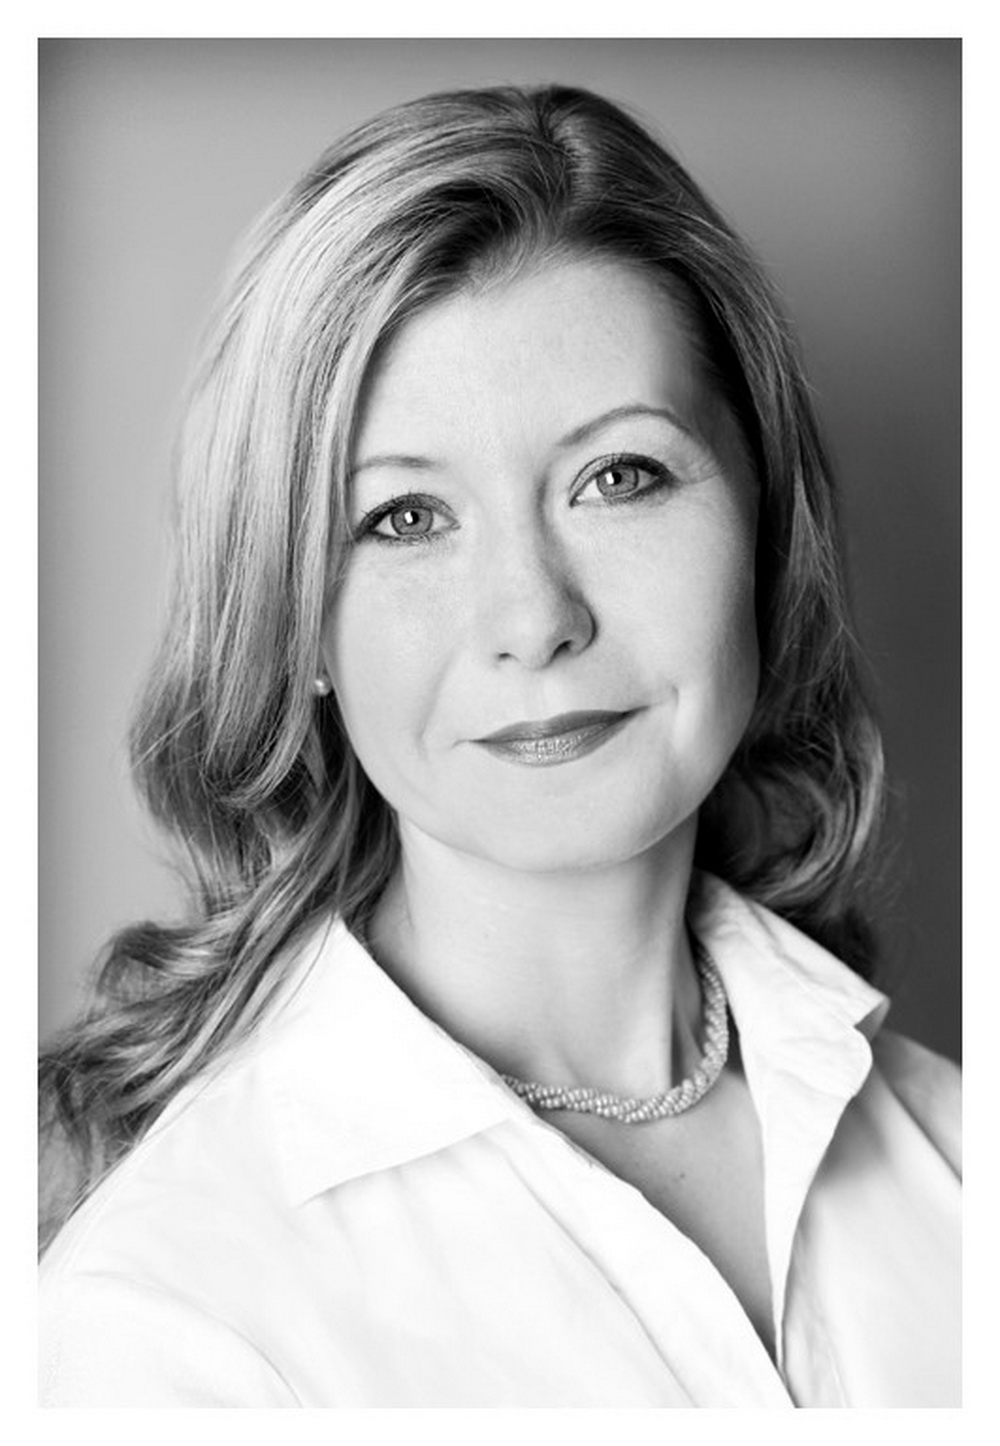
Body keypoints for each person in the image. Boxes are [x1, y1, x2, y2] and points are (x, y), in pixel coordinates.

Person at [38, 83, 960, 1407]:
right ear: (295, 620)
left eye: (620, 477)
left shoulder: (957, 1154)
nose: (535, 619)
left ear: (766, 526)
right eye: (405, 519)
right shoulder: (175, 1316)